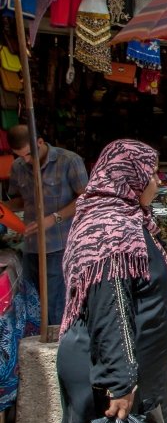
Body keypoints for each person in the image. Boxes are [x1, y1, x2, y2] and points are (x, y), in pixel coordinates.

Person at [44, 140, 167, 423]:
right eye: (151, 174)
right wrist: (120, 383)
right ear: (129, 177)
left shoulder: (120, 219)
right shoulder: (112, 230)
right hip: (111, 368)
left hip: (123, 361)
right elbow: (110, 308)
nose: (157, 182)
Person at [7, 125, 88, 325]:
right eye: (20, 155)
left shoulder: (69, 161)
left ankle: (56, 348)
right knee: (31, 299)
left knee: (54, 304)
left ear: (40, 143)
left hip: (59, 245)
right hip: (31, 246)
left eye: (28, 154)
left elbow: (86, 198)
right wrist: (4, 208)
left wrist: (54, 218)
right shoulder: (18, 167)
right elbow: (19, 200)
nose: (25, 160)